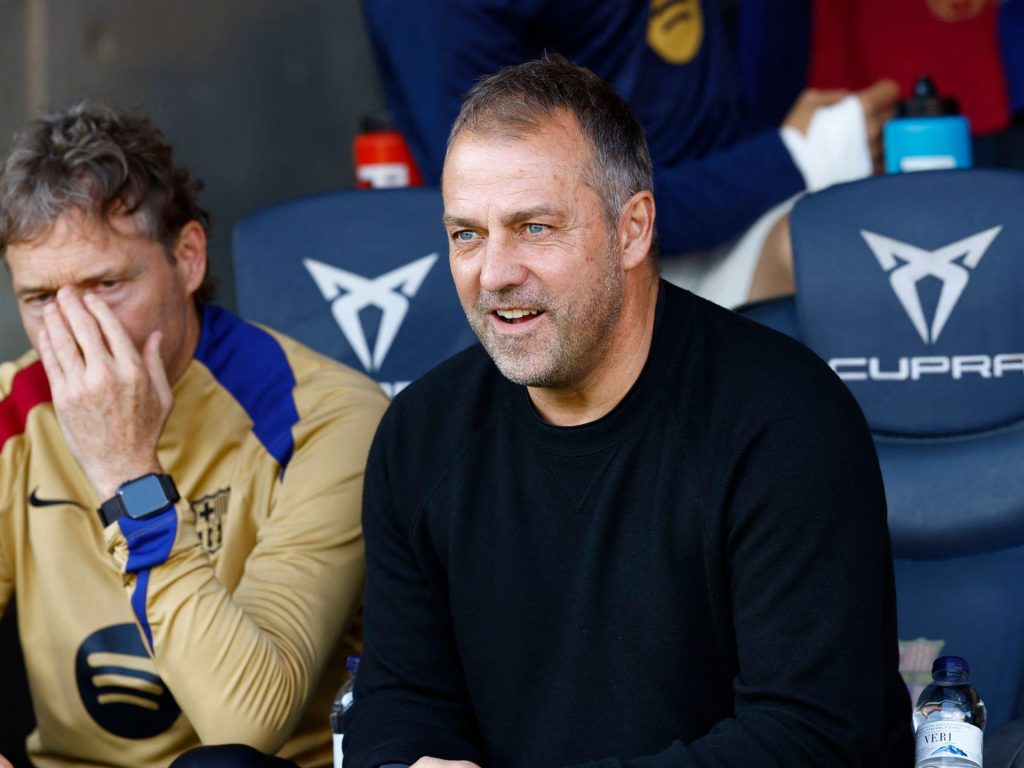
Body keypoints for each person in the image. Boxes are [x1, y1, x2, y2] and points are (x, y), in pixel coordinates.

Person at [342, 54, 914, 767]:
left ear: (633, 228)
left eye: (534, 227)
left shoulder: (785, 419)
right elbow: (397, 705)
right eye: (467, 234)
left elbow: (811, 738)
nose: (494, 273)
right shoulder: (420, 435)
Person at [0, 102, 389, 767]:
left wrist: (125, 469)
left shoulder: (328, 417)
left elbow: (247, 724)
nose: (72, 331)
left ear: (187, 257)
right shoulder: (14, 407)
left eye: (105, 284)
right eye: (40, 298)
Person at [360, 0, 898, 307]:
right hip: (586, 270)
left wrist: (789, 145)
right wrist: (795, 156)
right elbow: (510, 197)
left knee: (838, 247)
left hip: (731, 211)